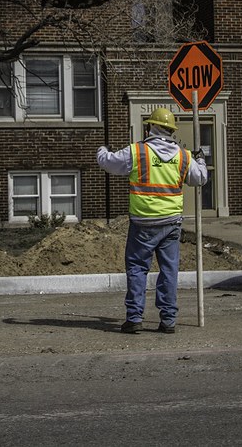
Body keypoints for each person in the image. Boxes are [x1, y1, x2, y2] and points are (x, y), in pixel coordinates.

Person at [96, 107, 208, 335]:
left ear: (150, 127)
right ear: (170, 131)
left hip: (143, 224)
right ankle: (168, 321)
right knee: (169, 270)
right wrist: (201, 160)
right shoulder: (183, 155)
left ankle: (134, 318)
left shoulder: (137, 152)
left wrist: (102, 150)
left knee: (137, 269)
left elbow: (108, 163)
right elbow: (201, 178)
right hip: (171, 224)